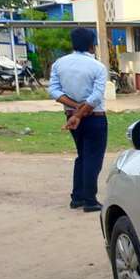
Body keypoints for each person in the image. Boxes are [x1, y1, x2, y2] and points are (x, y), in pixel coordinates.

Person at [48, 28, 108, 212]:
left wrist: (74, 110)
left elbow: (54, 91)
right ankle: (90, 201)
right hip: (94, 118)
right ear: (92, 46)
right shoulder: (97, 67)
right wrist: (80, 112)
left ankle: (77, 197)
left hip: (71, 117)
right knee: (93, 159)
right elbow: (96, 97)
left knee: (82, 156)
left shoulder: (59, 64)